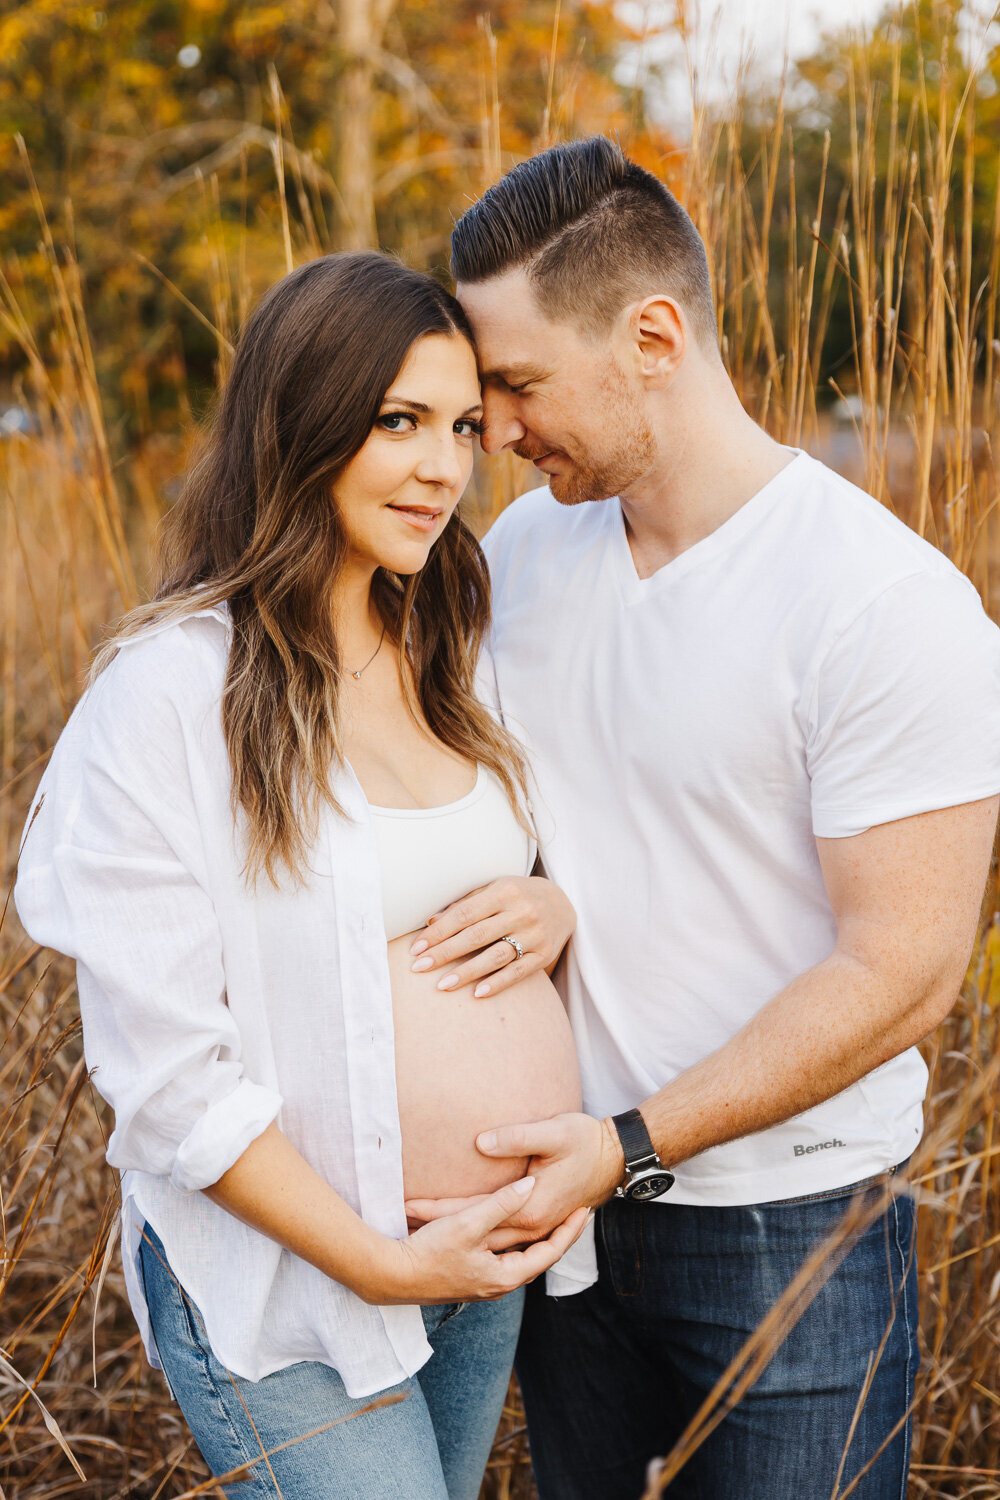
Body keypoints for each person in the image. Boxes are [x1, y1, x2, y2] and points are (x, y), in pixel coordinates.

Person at [403, 138, 1000, 1498]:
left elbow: (902, 970)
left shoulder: (882, 607)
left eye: (517, 382)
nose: (490, 426)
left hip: (792, 1238)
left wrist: (629, 1146)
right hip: (558, 1238)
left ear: (654, 337)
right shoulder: (514, 564)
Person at [13, 251, 590, 1500]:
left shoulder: (454, 646)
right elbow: (166, 1076)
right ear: (304, 420)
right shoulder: (170, 695)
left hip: (477, 1252)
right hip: (297, 1283)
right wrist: (385, 1264)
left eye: (460, 428)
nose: (443, 468)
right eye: (398, 424)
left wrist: (549, 904)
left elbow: (499, 869)